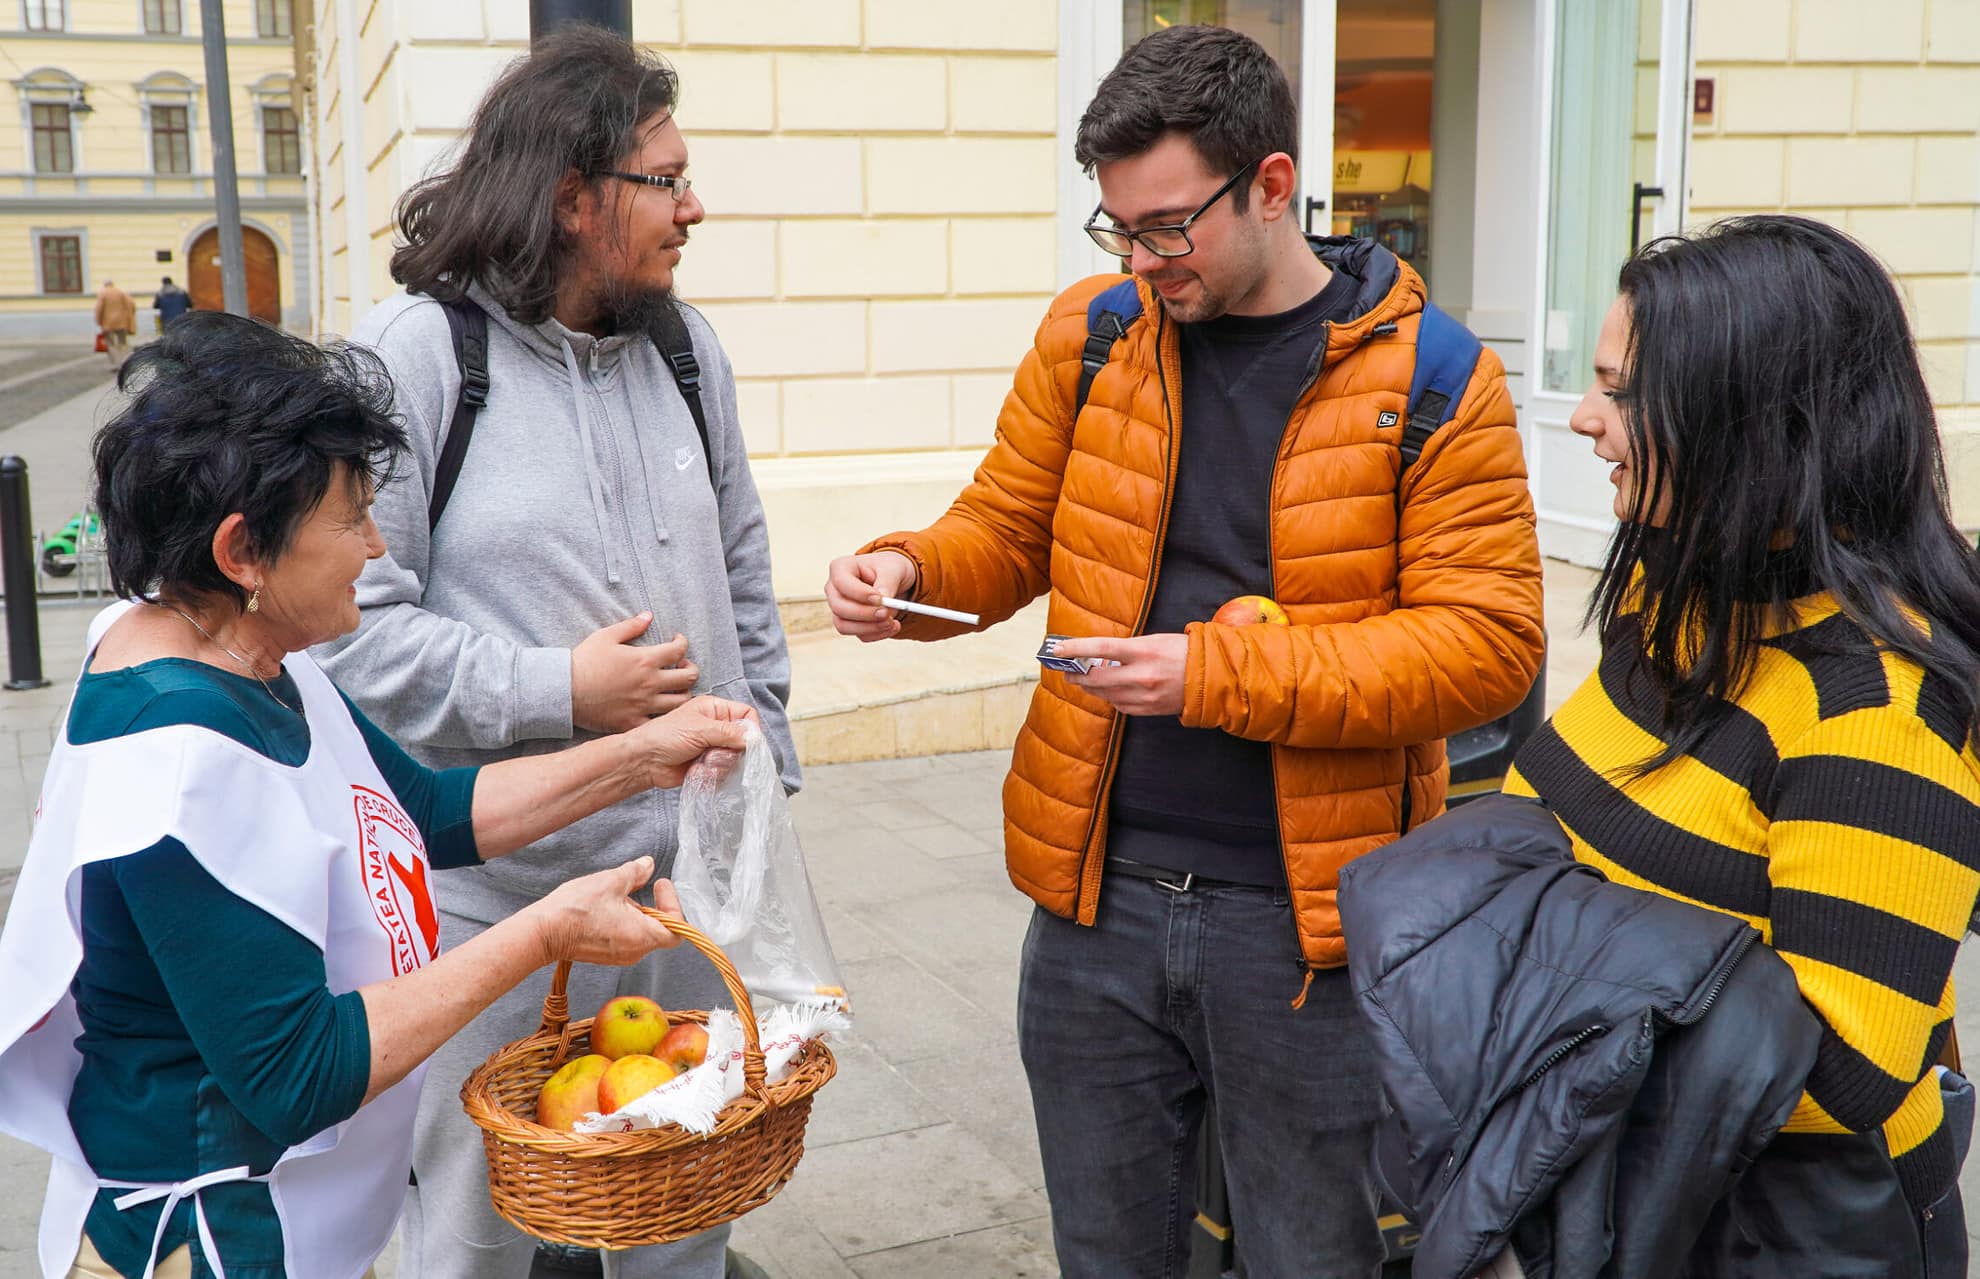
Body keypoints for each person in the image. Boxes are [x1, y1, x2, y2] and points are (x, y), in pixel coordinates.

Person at [824, 24, 1544, 1278]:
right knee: (1108, 1253)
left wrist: (1215, 677)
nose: (1145, 258)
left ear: (1272, 185)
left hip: (1309, 925)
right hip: (1095, 902)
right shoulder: (1093, 333)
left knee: (1307, 1254)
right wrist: (913, 569)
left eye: (1170, 227)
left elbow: (1486, 647)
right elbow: (1008, 525)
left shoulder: (1434, 373)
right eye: (1119, 228)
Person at [0, 311, 757, 1279]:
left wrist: (643, 754)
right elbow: (298, 1074)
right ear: (245, 552)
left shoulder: (248, 642)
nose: (373, 547)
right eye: (350, 517)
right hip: (219, 1236)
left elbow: (425, 814)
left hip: (299, 1218)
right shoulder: (179, 765)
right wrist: (543, 932)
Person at [315, 26, 795, 1279]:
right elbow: (350, 627)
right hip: (489, 910)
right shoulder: (419, 356)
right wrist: (562, 690)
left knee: (681, 1230)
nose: (697, 206)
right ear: (572, 197)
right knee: (470, 1244)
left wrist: (766, 779)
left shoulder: (689, 353)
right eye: (668, 180)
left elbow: (746, 571)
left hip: (675, 909)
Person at [1503, 215, 1980, 1276]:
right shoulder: (1676, 605)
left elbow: (1841, 1071)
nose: (1584, 418)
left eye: (1623, 391)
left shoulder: (1875, 721)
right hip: (1638, 1190)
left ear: (1751, 422)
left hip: (1773, 1233)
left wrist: (1524, 996)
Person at [93, 280, 135, 369]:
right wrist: (129, 318)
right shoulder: (120, 292)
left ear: (105, 285)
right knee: (123, 343)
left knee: (110, 344)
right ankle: (124, 361)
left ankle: (116, 364)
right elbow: (131, 304)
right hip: (122, 322)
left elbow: (98, 308)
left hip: (107, 323)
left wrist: (98, 321)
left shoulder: (102, 293)